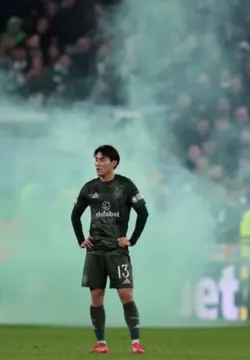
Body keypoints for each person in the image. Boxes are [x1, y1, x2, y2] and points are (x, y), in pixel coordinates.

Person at [70, 145, 149, 354]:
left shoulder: (125, 186)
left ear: (113, 163)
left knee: (126, 294)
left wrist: (132, 240)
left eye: (102, 160)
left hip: (117, 251)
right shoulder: (89, 188)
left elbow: (143, 213)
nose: (98, 163)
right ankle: (101, 343)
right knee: (96, 295)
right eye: (96, 159)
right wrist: (81, 239)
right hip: (95, 251)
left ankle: (135, 343)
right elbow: (75, 215)